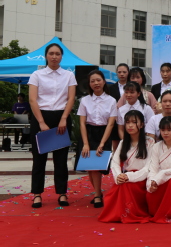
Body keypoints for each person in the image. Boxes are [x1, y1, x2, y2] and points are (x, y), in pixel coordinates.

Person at [28, 43, 77, 208]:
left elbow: (71, 98)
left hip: (61, 117)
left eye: (57, 54)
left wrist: (64, 118)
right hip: (40, 116)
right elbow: (32, 100)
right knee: (39, 158)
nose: (54, 56)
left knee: (61, 159)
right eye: (51, 53)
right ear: (46, 56)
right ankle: (37, 194)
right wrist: (41, 122)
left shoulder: (69, 75)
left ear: (61, 56)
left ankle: (62, 193)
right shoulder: (37, 75)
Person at [98, 110, 154, 223]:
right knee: (121, 186)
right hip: (125, 177)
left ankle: (128, 213)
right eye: (127, 122)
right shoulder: (123, 142)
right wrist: (119, 176)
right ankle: (120, 213)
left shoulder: (150, 142)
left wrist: (130, 177)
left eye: (134, 122)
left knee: (126, 186)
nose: (130, 125)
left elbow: (149, 166)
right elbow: (115, 162)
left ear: (142, 124)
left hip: (141, 178)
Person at [77, 70, 117, 208]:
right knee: (90, 166)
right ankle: (97, 194)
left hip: (104, 133)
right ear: (89, 84)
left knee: (97, 166)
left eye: (98, 80)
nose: (96, 83)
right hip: (88, 133)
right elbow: (82, 123)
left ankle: (97, 194)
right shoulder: (84, 100)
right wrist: (85, 143)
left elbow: (111, 123)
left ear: (104, 82)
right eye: (92, 81)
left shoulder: (111, 100)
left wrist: (102, 143)